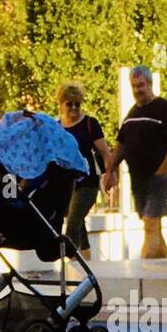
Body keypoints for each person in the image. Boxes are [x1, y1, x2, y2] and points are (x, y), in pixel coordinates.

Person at [102, 66, 167, 259]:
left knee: (150, 223)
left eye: (141, 85)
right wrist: (109, 170)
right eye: (134, 86)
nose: (138, 90)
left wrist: (162, 173)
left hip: (161, 177)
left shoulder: (164, 109)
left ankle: (147, 271)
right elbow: (120, 146)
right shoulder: (131, 115)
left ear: (150, 84)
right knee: (153, 226)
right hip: (139, 178)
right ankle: (161, 265)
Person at [58, 82, 108, 257]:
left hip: (87, 183)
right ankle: (89, 263)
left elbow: (104, 151)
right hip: (65, 185)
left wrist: (109, 174)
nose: (73, 108)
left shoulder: (89, 124)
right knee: (79, 224)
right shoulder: (57, 127)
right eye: (69, 104)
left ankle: (72, 264)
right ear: (62, 104)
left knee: (72, 223)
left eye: (77, 104)